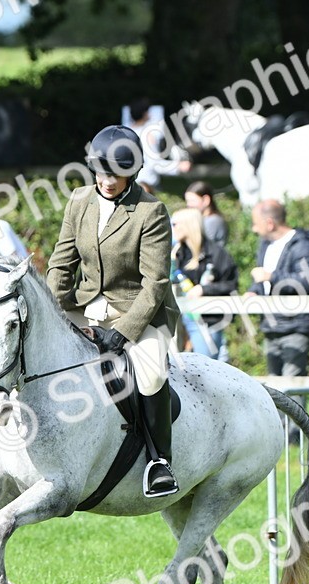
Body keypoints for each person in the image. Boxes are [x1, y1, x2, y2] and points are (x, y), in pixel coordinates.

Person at [46, 124, 183, 498]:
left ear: (132, 173)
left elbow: (155, 283)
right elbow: (61, 263)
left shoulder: (151, 211)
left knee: (150, 375)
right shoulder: (79, 200)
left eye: (116, 174)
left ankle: (159, 461)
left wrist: (123, 333)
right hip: (87, 305)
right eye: (101, 172)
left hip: (138, 311)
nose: (107, 181)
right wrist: (54, 310)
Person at [246, 199, 309, 379]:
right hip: (271, 324)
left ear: (269, 223)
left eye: (256, 223)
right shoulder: (265, 245)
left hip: (295, 325)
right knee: (274, 385)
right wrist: (254, 290)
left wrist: (271, 276)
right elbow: (262, 281)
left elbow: (307, 282)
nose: (254, 229)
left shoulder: (303, 244)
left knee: (291, 385)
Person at [171, 208, 238, 362]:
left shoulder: (216, 253)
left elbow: (231, 285)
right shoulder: (178, 253)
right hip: (184, 319)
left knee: (204, 367)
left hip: (209, 321)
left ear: (188, 225)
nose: (172, 228)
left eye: (174, 224)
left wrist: (204, 289)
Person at [127, 99, 191, 194]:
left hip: (128, 183)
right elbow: (155, 164)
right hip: (147, 185)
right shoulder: (147, 135)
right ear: (144, 114)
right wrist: (178, 166)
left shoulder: (126, 132)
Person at [183, 180, 229, 246]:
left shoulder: (213, 221)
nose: (188, 205)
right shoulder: (203, 219)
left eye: (192, 201)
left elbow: (200, 246)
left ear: (206, 200)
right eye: (187, 201)